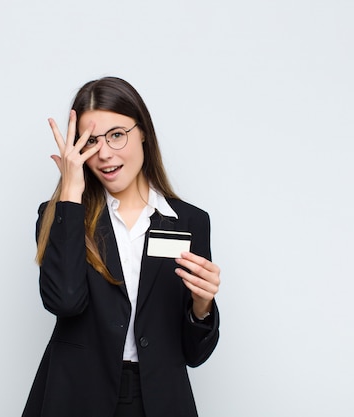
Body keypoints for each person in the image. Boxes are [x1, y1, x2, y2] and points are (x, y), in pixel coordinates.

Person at [23, 77, 221, 417]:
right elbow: (65, 302)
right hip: (76, 398)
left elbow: (194, 354)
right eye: (90, 142)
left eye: (117, 135)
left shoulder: (190, 222)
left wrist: (201, 307)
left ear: (142, 131)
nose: (104, 154)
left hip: (157, 400)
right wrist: (70, 194)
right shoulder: (61, 216)